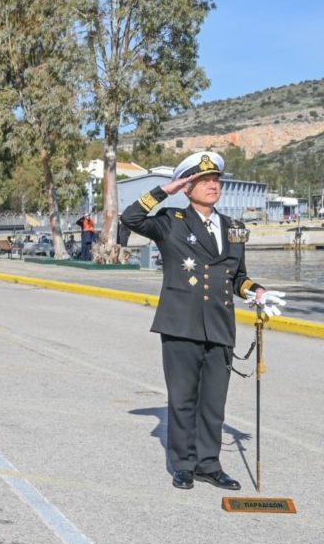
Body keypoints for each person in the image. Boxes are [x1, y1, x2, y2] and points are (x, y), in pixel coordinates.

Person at [120, 151, 286, 491]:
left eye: (216, 180)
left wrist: (256, 292)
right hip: (181, 324)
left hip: (220, 325)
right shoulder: (171, 221)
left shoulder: (234, 228)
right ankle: (183, 465)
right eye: (203, 181)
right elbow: (130, 217)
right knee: (182, 399)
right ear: (187, 187)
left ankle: (208, 464)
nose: (213, 186)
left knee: (214, 402)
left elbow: (237, 277)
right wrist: (164, 191)